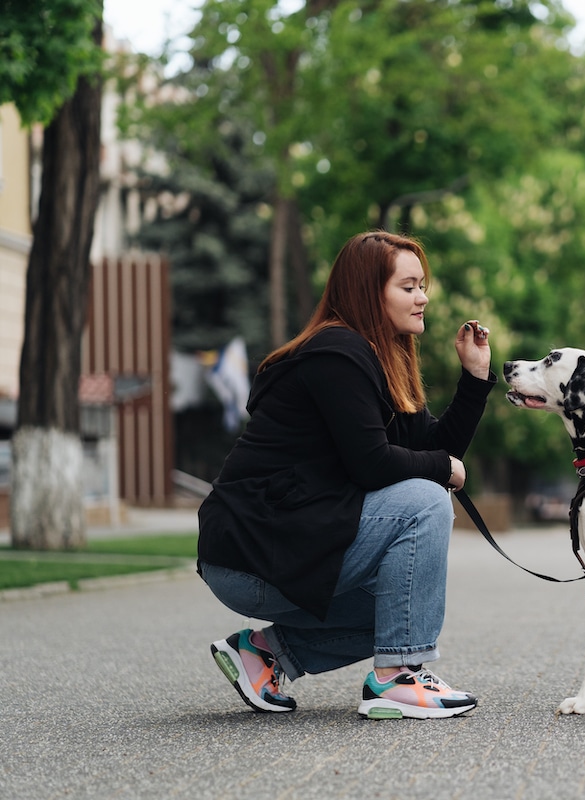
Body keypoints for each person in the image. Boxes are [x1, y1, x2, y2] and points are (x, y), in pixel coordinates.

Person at [196, 230, 496, 720]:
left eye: (422, 285)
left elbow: (433, 447)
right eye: (408, 286)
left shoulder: (375, 359)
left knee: (404, 603)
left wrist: (475, 380)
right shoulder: (337, 354)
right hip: (252, 551)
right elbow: (374, 463)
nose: (423, 297)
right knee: (425, 501)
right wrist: (442, 470)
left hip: (281, 546)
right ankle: (398, 678)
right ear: (368, 292)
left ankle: (263, 655)